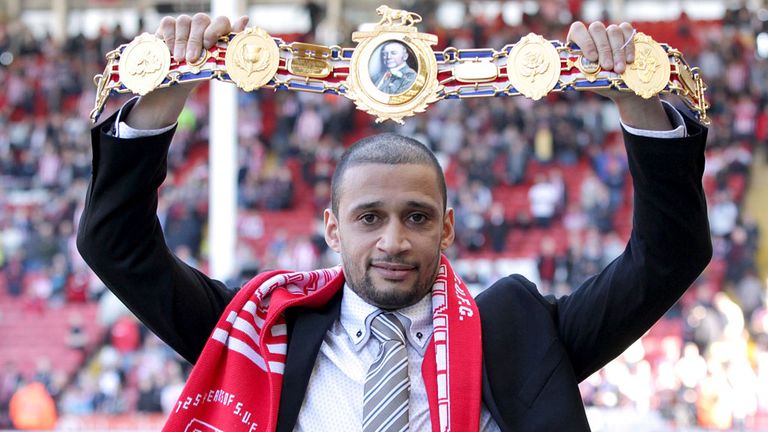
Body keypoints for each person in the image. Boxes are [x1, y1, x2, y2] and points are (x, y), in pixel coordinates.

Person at [77, 13, 711, 432]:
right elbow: (116, 244)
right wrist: (159, 100)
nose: (394, 240)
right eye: (368, 217)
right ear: (331, 228)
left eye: (417, 217)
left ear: (449, 228)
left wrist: (640, 105)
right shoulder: (262, 329)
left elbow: (667, 256)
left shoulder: (521, 334)